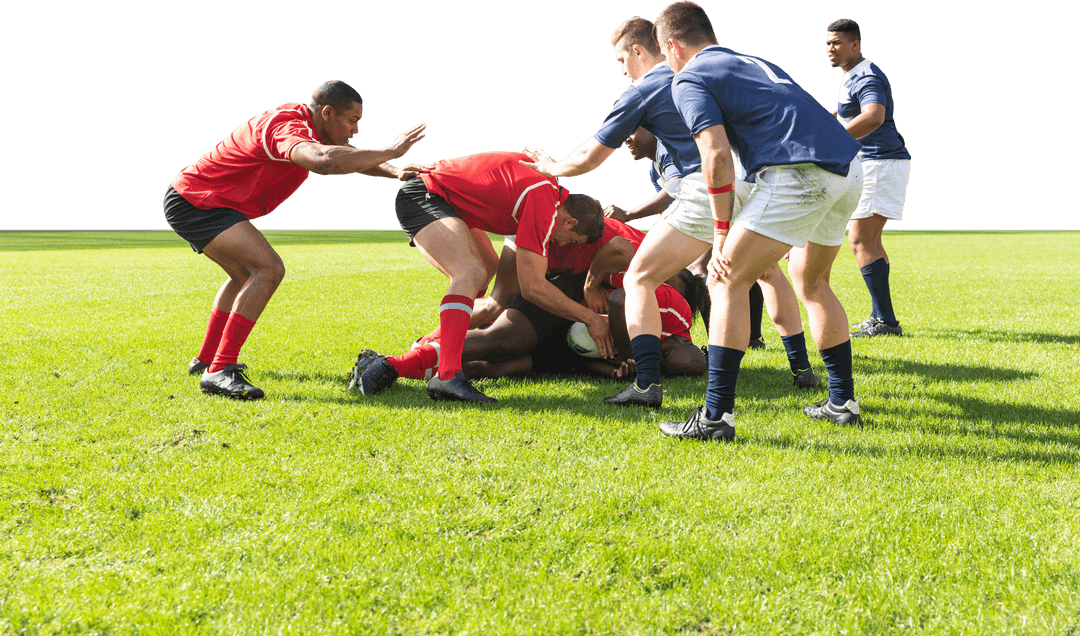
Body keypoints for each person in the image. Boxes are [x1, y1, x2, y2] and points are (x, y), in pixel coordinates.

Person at [522, 17, 818, 409]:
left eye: (621, 59)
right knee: (764, 273)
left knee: (639, 278)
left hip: (708, 183)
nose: (622, 69)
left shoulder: (646, 87)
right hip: (758, 180)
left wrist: (550, 166)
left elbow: (589, 157)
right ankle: (802, 369)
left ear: (639, 51)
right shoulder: (711, 70)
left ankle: (646, 387)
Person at [652, 1, 865, 440]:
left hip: (800, 171)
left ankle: (715, 418)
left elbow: (714, 156)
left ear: (672, 45)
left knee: (725, 279)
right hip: (848, 167)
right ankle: (842, 402)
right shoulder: (750, 61)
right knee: (811, 282)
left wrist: (721, 232)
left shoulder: (689, 76)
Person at [164, 80, 427, 400]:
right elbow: (325, 161)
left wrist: (395, 171)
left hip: (198, 198)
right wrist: (390, 150)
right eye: (353, 120)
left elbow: (350, 156)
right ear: (327, 113)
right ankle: (219, 370)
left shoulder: (308, 128)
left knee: (244, 276)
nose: (356, 129)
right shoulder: (287, 126)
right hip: (199, 201)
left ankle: (206, 359)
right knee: (268, 269)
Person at [352, 151, 607, 403]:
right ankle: (448, 376)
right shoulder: (544, 204)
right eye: (571, 240)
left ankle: (415, 352)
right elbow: (533, 287)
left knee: (486, 271)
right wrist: (590, 318)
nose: (563, 244)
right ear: (570, 223)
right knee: (471, 273)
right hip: (426, 195)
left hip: (445, 199)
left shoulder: (547, 193)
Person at [604, 126, 769, 350]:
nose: (626, 139)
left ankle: (719, 345)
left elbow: (674, 191)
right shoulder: (655, 169)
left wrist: (630, 215)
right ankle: (749, 340)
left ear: (651, 129)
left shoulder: (666, 150)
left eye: (632, 131)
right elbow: (671, 207)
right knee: (735, 272)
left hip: (726, 209)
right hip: (714, 215)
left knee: (706, 272)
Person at [826, 18, 912, 338]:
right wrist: (825, 121)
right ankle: (882, 317)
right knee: (870, 242)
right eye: (827, 44)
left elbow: (873, 115)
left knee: (861, 241)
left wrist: (836, 140)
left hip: (881, 163)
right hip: (877, 163)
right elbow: (851, 113)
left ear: (855, 45)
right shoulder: (852, 74)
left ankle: (886, 322)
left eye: (836, 43)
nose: (829, 49)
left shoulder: (866, 75)